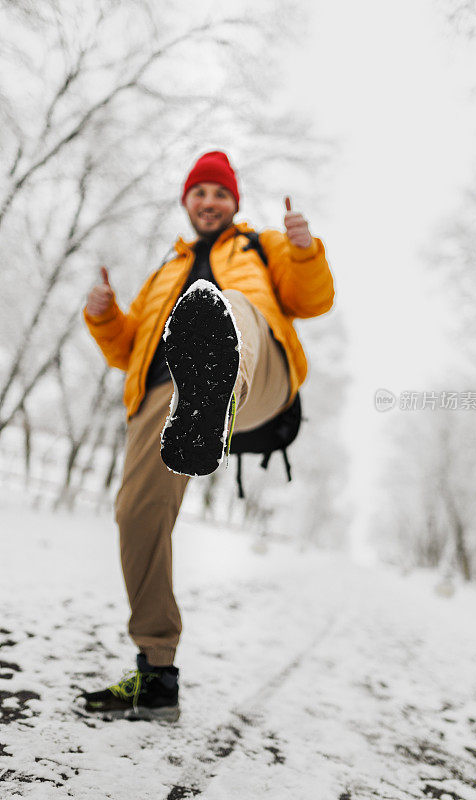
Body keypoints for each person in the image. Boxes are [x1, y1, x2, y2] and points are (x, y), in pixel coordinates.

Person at [80, 150, 334, 720]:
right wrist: (104, 316)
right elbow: (127, 349)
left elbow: (310, 299)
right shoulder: (163, 272)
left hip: (258, 371)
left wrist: (302, 248)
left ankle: (216, 390)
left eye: (220, 193)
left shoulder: (258, 246)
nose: (210, 201)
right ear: (187, 203)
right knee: (137, 513)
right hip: (163, 394)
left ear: (234, 203)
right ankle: (156, 676)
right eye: (201, 193)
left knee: (228, 304)